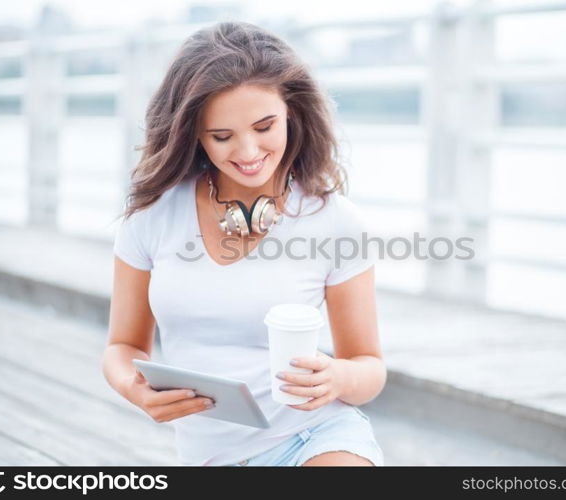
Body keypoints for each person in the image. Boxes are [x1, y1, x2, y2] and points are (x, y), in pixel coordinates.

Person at [102, 21, 386, 467]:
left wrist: (337, 377)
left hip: (313, 436)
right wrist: (133, 388)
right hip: (210, 455)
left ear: (293, 113)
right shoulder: (151, 217)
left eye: (265, 126)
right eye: (222, 136)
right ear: (193, 134)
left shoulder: (337, 223)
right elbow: (122, 347)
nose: (249, 151)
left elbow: (369, 366)